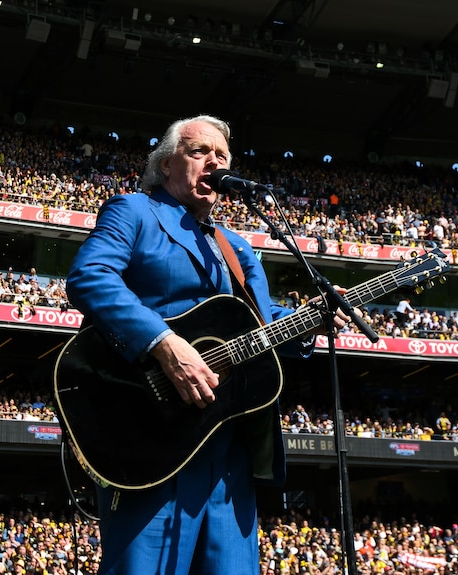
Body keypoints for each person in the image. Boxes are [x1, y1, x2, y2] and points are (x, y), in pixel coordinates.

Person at [65, 114, 347, 575]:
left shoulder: (236, 246)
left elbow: (265, 321)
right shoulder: (134, 210)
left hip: (229, 442)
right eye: (200, 152)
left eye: (222, 156)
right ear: (165, 165)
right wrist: (162, 342)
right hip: (153, 431)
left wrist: (311, 321)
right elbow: (90, 277)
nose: (214, 162)